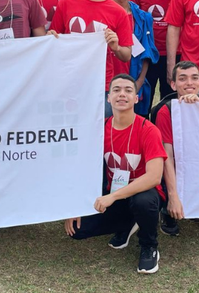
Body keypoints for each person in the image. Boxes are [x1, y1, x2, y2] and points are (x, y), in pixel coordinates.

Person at [65, 74, 166, 274]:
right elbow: (82, 168)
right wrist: (74, 206)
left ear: (137, 98)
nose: (122, 94)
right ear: (108, 98)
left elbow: (154, 176)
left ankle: (149, 246)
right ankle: (127, 223)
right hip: (115, 194)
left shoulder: (148, 130)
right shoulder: (99, 128)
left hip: (144, 193)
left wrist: (112, 196)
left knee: (142, 202)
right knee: (77, 231)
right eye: (116, 90)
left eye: (128, 90)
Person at [51, 0, 133, 117]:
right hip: (69, 83)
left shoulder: (118, 12)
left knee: (101, 136)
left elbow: (126, 55)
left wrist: (115, 47)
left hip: (101, 86)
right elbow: (54, 41)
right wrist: (51, 38)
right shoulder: (66, 3)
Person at [151, 61, 199, 236]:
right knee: (169, 187)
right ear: (173, 84)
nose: (189, 83)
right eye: (183, 79)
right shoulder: (166, 111)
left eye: (194, 78)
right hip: (176, 169)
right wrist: (173, 196)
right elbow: (167, 156)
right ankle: (168, 210)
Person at [130, 0, 183, 104]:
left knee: (171, 101)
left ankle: (167, 128)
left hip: (175, 53)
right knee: (144, 99)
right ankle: (146, 127)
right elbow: (131, 16)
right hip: (147, 54)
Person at [111, 0, 159, 118]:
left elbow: (146, 52)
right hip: (107, 80)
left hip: (133, 78)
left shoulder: (143, 18)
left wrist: (139, 81)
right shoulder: (100, 13)